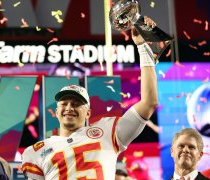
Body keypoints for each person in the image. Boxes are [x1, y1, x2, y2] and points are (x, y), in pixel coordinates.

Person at [22, 16, 158, 180]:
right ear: (56, 112)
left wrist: (143, 47)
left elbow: (149, 103)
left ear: (88, 113)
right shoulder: (35, 152)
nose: (70, 107)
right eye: (64, 103)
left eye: (77, 103)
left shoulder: (107, 132)